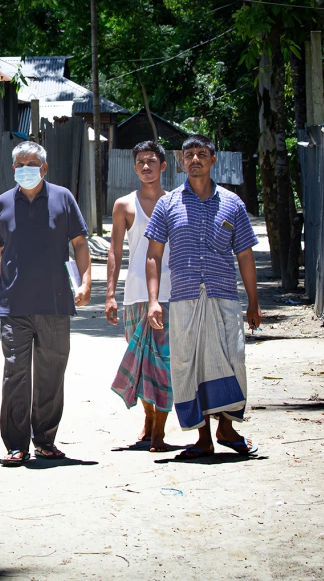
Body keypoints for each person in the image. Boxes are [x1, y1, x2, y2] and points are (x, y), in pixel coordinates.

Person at [144, 134, 263, 460]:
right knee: (188, 365)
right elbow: (153, 255)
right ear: (182, 162)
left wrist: (253, 301)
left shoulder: (232, 203)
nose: (194, 159)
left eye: (201, 154)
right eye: (188, 155)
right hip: (183, 299)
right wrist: (154, 300)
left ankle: (226, 427)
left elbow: (245, 256)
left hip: (223, 296)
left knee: (230, 360)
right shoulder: (167, 205)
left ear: (213, 159)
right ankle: (202, 438)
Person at [0, 141, 91, 467]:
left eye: (31, 163)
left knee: (51, 374)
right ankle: (15, 445)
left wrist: (85, 282)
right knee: (15, 374)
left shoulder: (63, 199)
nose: (25, 169)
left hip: (56, 304)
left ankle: (45, 440)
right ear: (12, 168)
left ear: (44, 168)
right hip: (14, 304)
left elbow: (81, 243)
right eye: (19, 164)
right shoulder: (2, 203)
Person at [107, 141, 174, 452]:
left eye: (151, 161)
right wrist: (109, 294)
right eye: (140, 162)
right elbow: (115, 251)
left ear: (163, 166)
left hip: (173, 294)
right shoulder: (124, 205)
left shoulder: (175, 202)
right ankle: (148, 419)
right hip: (135, 294)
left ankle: (160, 428)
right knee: (143, 362)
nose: (146, 166)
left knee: (165, 364)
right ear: (134, 168)